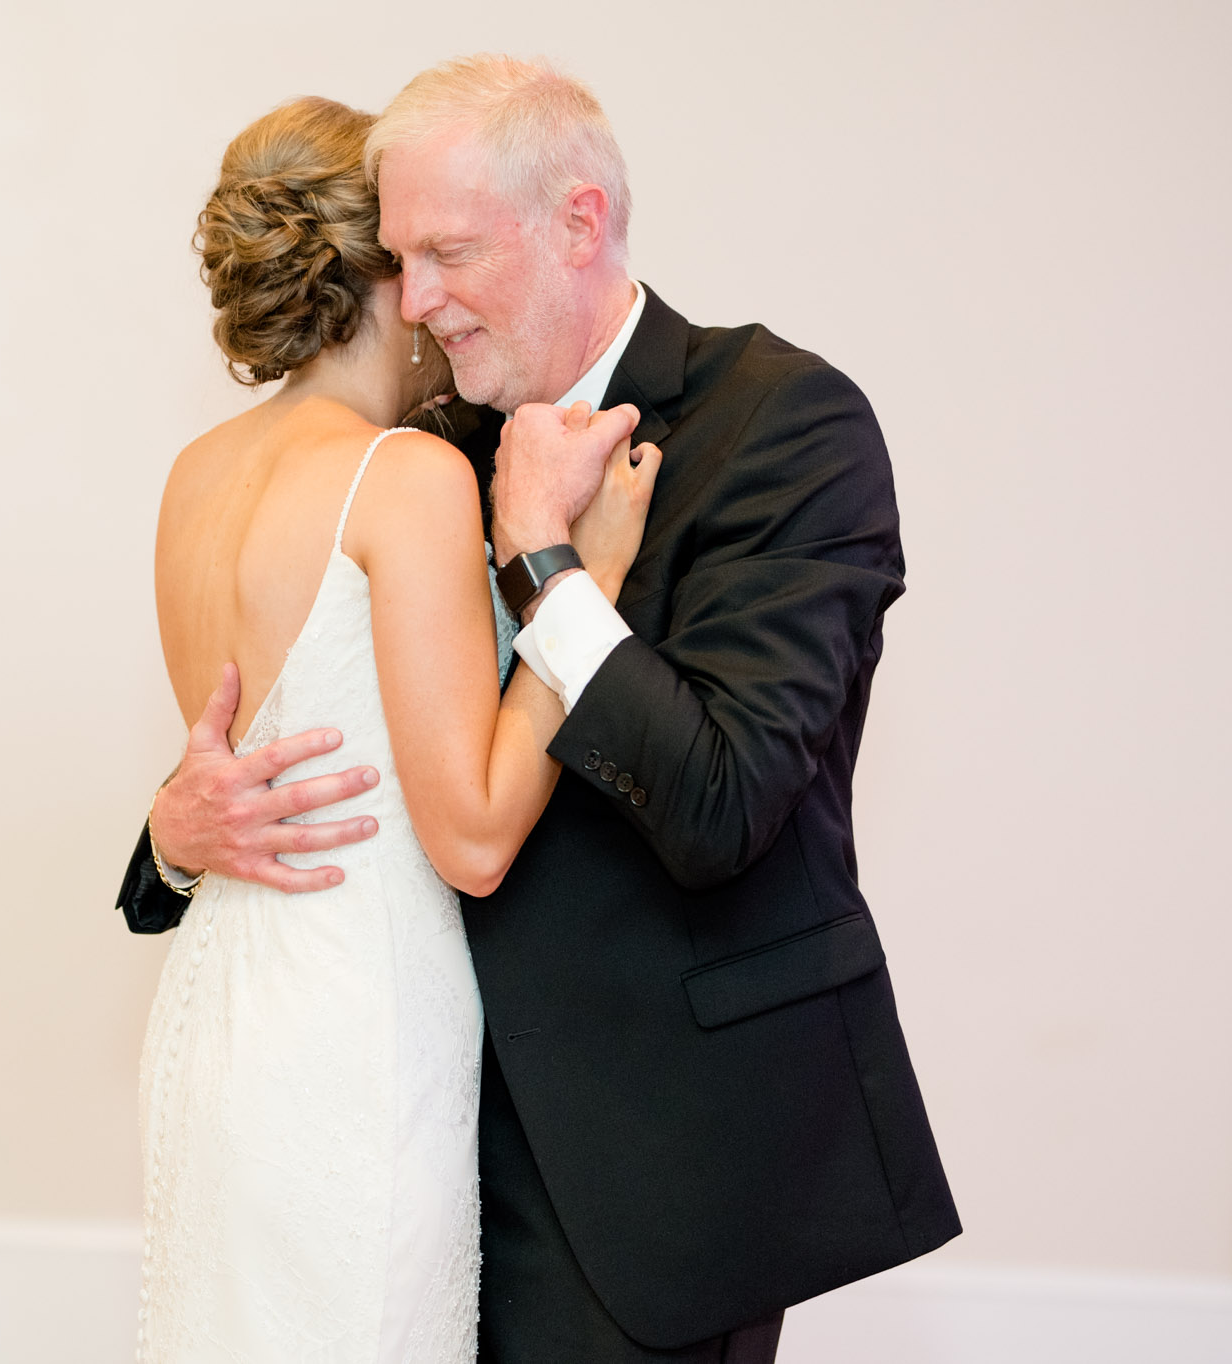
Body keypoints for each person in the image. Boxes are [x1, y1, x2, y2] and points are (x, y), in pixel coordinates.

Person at [119, 56, 960, 1363]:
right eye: (404, 259)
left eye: (449, 253)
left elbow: (725, 802)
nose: (422, 299)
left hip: (650, 1156)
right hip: (410, 1116)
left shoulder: (782, 426)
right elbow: (323, 738)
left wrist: (554, 569)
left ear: (578, 223)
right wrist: (176, 832)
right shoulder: (417, 447)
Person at [132, 95, 657, 1363]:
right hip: (355, 1038)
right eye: (417, 258)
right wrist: (572, 582)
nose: (434, 297)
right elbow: (471, 835)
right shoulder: (403, 475)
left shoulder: (195, 470)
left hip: (222, 1017)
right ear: (378, 272)